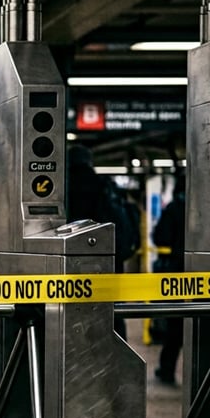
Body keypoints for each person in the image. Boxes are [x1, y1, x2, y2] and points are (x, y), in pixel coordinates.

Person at [67, 145, 140, 338]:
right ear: (89, 162)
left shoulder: (63, 188)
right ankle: (116, 356)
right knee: (112, 315)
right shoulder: (105, 185)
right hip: (110, 263)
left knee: (74, 318)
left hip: (73, 266)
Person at [152, 172, 186, 384]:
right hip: (209, 271)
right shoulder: (208, 209)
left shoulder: (174, 208)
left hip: (178, 272)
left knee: (176, 323)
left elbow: (160, 237)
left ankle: (167, 369)